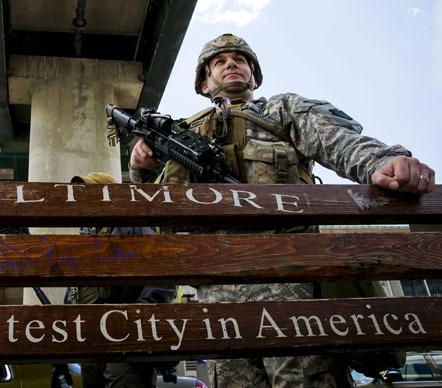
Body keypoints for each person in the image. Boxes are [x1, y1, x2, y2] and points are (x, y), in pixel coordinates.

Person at [128, 33, 435, 387]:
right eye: (220, 61)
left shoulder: (281, 111)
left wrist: (381, 161)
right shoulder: (181, 135)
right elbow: (153, 209)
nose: (231, 64)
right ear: (203, 82)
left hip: (289, 277)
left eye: (240, 59)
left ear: (254, 77)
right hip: (217, 288)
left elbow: (336, 139)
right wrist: (140, 166)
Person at [68, 172, 177, 388]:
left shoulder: (132, 226)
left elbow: (162, 272)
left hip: (126, 339)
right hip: (91, 338)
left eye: (89, 192)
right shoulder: (88, 235)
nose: (82, 200)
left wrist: (138, 316)